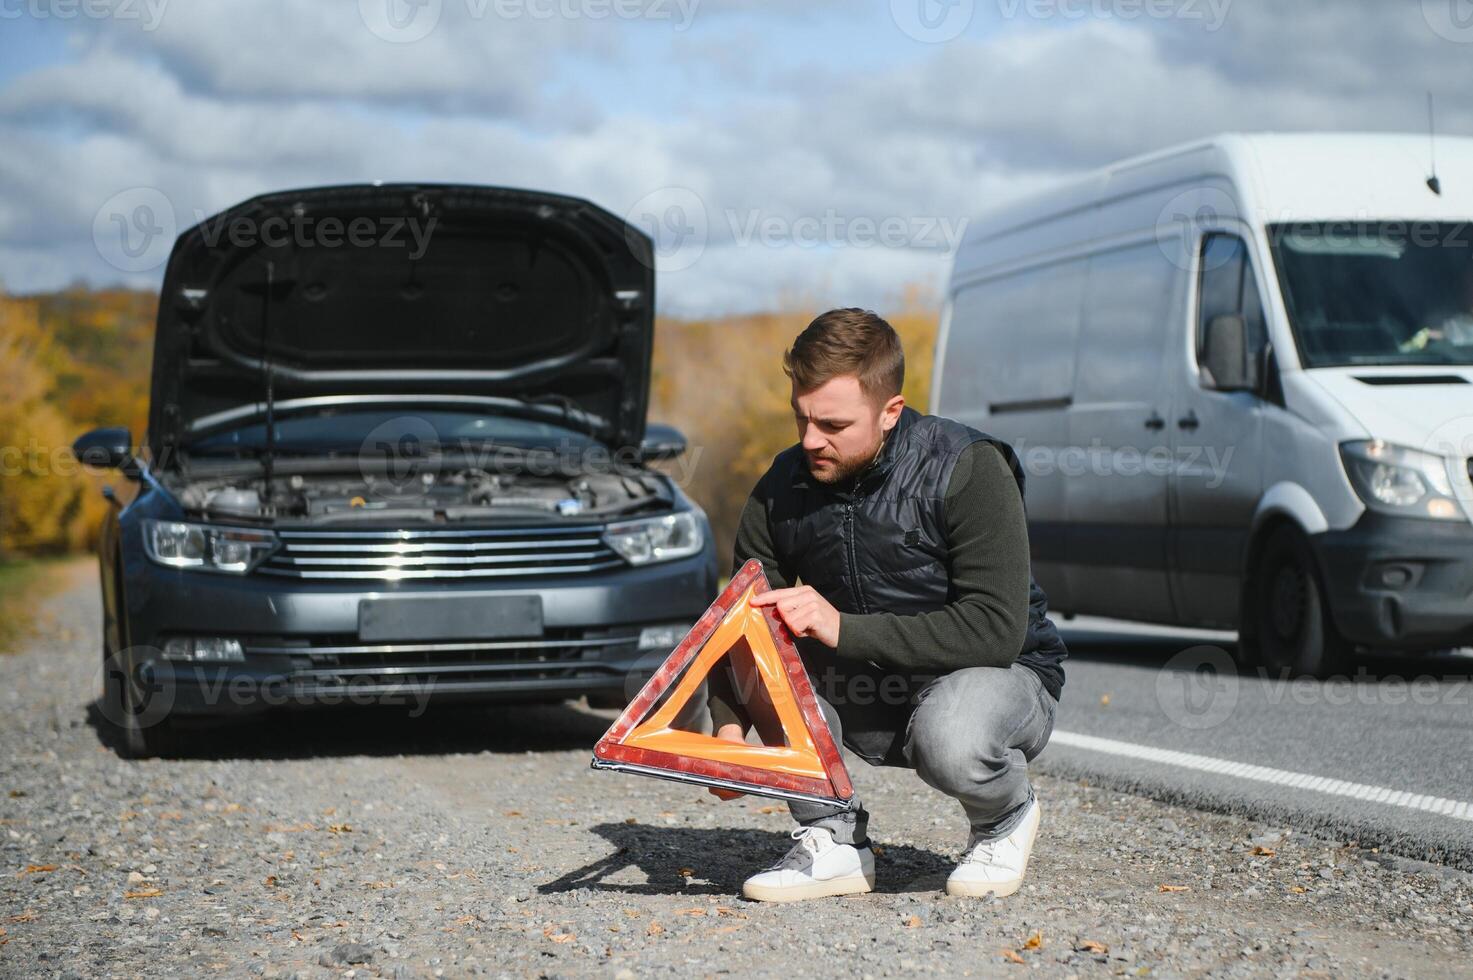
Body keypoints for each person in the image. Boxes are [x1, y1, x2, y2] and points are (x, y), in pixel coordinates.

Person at [705, 307, 1068, 903]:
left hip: (993, 677)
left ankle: (1005, 818)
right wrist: (727, 729)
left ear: (891, 411)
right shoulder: (782, 485)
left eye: (833, 424)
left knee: (951, 735)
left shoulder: (969, 468)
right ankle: (833, 839)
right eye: (801, 418)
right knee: (765, 662)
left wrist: (840, 628)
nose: (810, 440)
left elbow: (995, 631)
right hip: (863, 682)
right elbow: (742, 623)